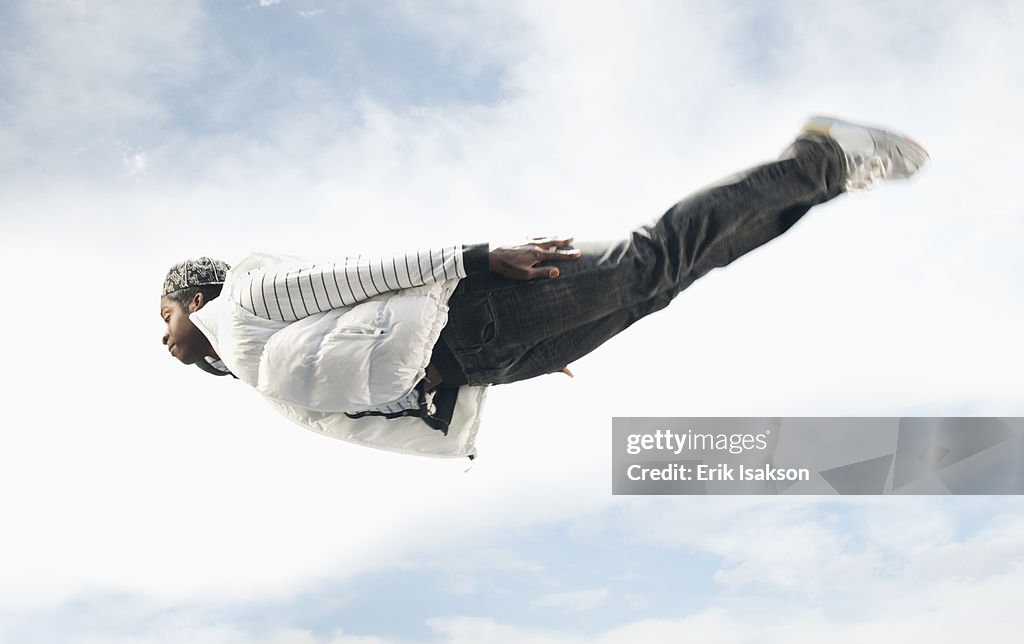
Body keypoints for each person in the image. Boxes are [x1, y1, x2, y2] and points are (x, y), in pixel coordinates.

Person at [160, 115, 929, 459]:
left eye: (164, 317)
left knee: (650, 259)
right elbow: (373, 396)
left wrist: (480, 257)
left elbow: (355, 276)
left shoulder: (248, 302)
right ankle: (823, 180)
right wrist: (519, 347)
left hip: (476, 311)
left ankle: (819, 159)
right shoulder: (261, 372)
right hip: (492, 357)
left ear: (196, 298)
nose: (164, 339)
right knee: (661, 284)